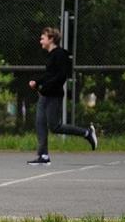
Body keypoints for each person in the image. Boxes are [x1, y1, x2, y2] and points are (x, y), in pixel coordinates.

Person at [28, 27, 97, 165]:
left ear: (51, 39)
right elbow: (48, 75)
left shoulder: (60, 54)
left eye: (43, 37)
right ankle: (43, 156)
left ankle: (87, 133)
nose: (40, 40)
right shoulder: (50, 55)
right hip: (45, 95)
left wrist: (44, 87)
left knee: (55, 126)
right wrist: (37, 82)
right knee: (40, 123)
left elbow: (60, 76)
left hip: (54, 95)